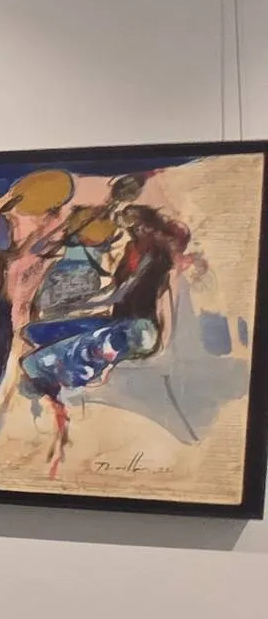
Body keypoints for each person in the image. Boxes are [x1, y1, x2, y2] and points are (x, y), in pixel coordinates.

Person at [20, 201, 191, 475]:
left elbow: (121, 295)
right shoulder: (133, 251)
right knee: (41, 330)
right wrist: (79, 306)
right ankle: (49, 371)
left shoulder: (155, 259)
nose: (133, 233)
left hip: (140, 330)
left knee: (77, 346)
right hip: (121, 322)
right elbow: (114, 289)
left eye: (137, 228)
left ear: (149, 228)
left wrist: (81, 305)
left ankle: (55, 379)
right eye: (131, 229)